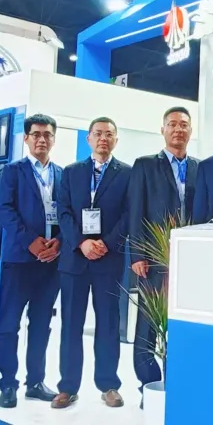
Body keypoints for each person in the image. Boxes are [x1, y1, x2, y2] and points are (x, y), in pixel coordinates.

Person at [52, 117, 130, 410]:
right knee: (71, 324)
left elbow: (129, 213)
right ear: (88, 138)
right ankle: (67, 387)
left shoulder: (127, 173)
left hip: (109, 260)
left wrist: (106, 243)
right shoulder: (71, 172)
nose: (103, 138)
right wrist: (81, 242)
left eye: (109, 134)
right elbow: (63, 212)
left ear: (116, 140)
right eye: (98, 133)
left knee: (108, 324)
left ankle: (109, 385)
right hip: (75, 259)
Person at [127, 106, 199, 405]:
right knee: (148, 324)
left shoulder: (199, 167)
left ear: (191, 131)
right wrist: (137, 254)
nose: (178, 130)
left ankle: (177, 382)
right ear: (163, 130)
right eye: (172, 124)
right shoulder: (145, 165)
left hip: (189, 260)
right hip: (153, 259)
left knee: (183, 322)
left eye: (184, 125)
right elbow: (135, 211)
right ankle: (148, 385)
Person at [0, 114, 63, 409]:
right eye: (36, 134)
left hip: (51, 263)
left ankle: (35, 382)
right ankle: (8, 384)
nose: (42, 139)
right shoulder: (13, 171)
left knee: (41, 324)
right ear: (26, 138)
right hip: (20, 260)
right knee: (9, 324)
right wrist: (31, 242)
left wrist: (60, 241)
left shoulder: (62, 174)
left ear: (53, 139)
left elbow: (68, 213)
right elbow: (5, 210)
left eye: (47, 134)